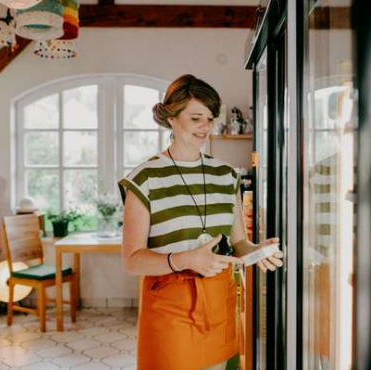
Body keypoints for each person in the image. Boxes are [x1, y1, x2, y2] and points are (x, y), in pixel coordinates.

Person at [118, 74, 284, 370]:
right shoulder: (145, 179)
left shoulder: (226, 176)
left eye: (209, 118)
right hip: (170, 311)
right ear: (171, 117)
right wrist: (187, 259)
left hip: (220, 304)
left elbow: (238, 243)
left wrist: (258, 252)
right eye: (196, 118)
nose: (205, 127)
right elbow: (132, 261)